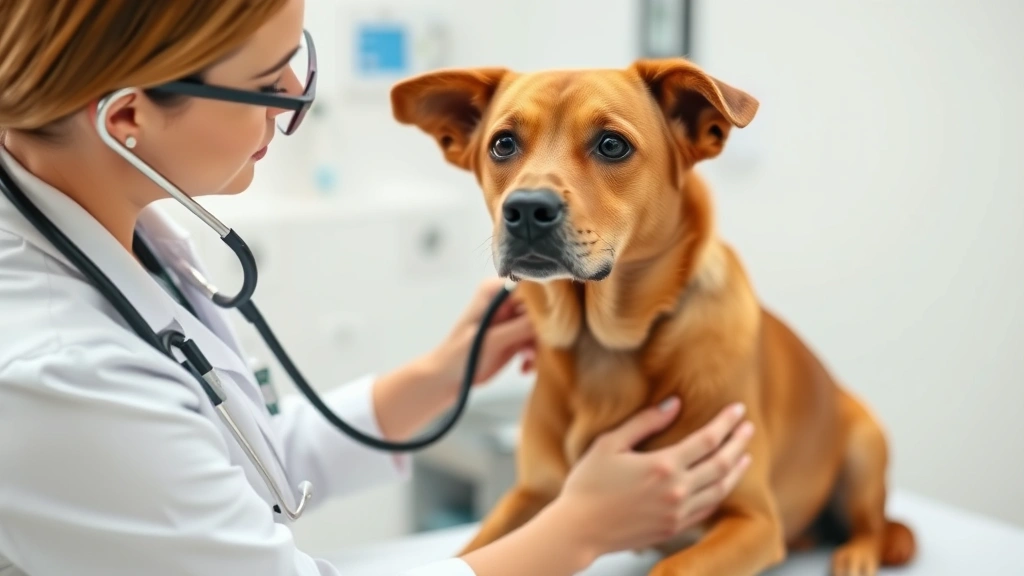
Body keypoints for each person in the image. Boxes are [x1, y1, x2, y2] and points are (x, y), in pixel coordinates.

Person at [0, 1, 755, 575]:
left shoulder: (126, 235)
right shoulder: (56, 367)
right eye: (270, 85)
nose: (298, 102)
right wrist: (580, 530)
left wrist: (432, 379)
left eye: (299, 62)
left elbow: (226, 459)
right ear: (126, 116)